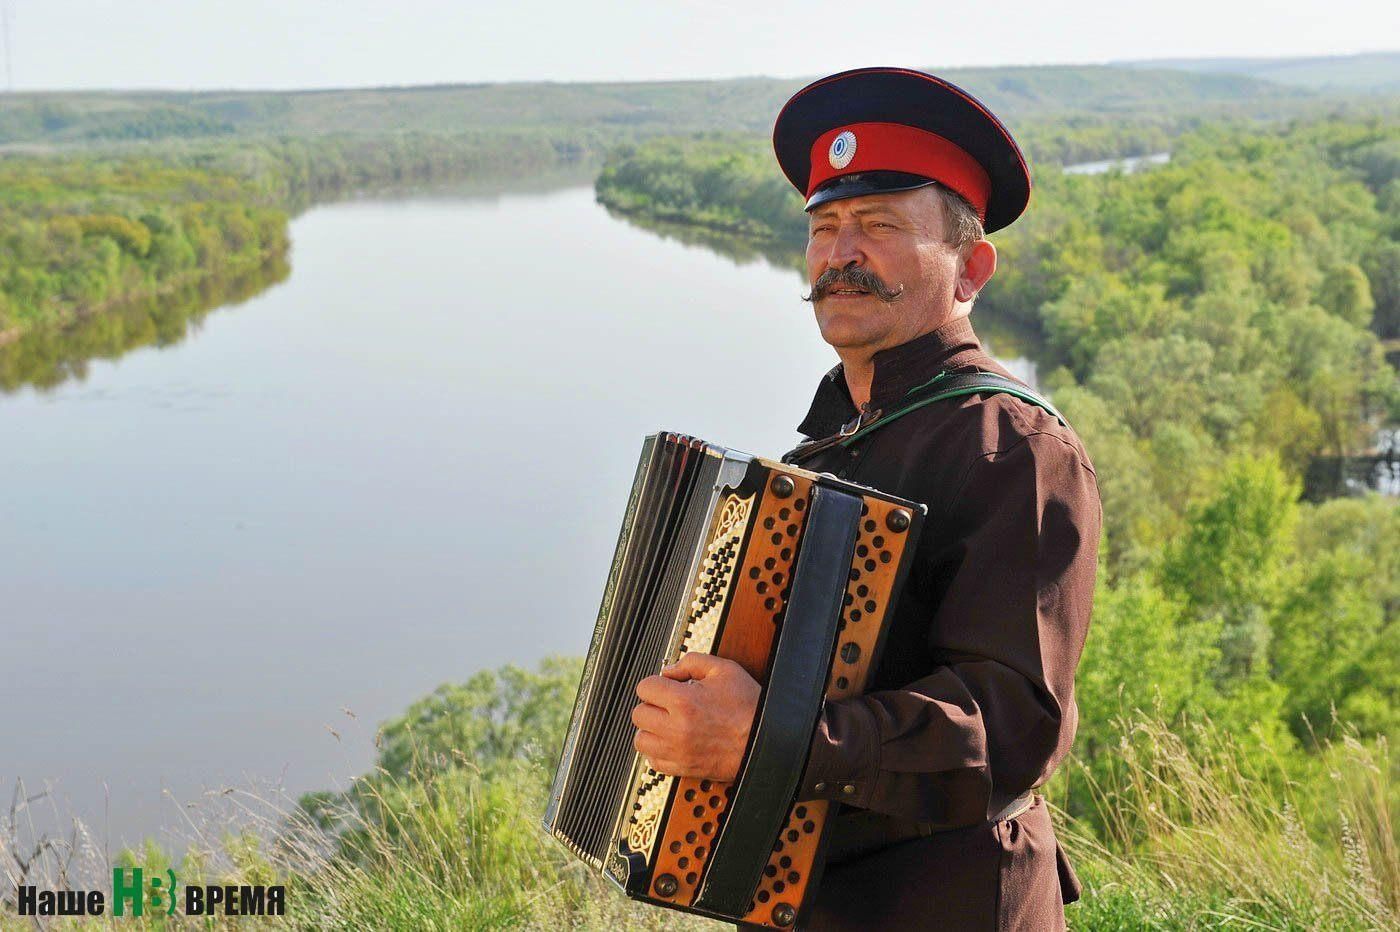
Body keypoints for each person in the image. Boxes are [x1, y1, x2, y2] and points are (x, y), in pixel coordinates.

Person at [631, 67, 1101, 930]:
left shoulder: (1014, 446)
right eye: (826, 226)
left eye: (880, 225)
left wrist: (770, 741)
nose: (842, 253)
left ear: (971, 269)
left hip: (948, 906)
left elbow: (1011, 730)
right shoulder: (829, 443)